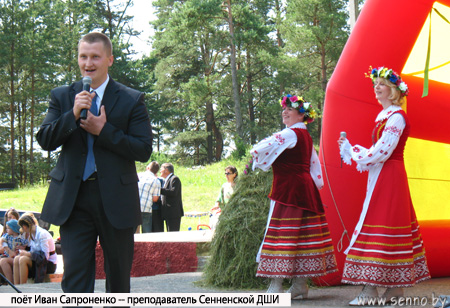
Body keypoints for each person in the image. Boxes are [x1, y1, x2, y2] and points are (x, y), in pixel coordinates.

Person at [35, 32, 152, 293]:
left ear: (109, 60)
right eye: (83, 56)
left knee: (119, 278)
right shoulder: (63, 96)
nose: (88, 63)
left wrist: (104, 131)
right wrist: (72, 114)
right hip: (74, 200)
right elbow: (44, 139)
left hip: (116, 199)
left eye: (95, 57)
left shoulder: (131, 99)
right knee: (75, 277)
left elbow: (143, 150)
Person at [338, 66, 431, 305]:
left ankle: (371, 291)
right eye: (375, 84)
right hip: (383, 174)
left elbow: (383, 151)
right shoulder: (386, 117)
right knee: (384, 224)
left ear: (392, 92)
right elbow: (379, 152)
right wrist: (352, 149)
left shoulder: (397, 118)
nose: (376, 87)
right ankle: (393, 291)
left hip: (389, 175)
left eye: (381, 84)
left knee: (381, 225)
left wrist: (354, 152)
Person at [251, 94, 338, 298]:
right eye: (284, 109)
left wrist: (257, 155)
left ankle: (276, 286)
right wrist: (317, 185)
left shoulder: (290, 134)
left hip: (288, 191)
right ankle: (300, 285)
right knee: (302, 237)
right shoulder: (305, 136)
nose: (285, 111)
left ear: (301, 115)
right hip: (305, 190)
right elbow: (314, 165)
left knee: (282, 234)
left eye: (290, 109)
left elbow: (260, 148)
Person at [13, 213, 57, 284]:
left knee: (23, 259)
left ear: (24, 227)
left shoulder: (42, 234)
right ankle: (16, 285)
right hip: (37, 260)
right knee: (17, 258)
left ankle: (22, 286)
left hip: (48, 263)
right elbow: (33, 251)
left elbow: (45, 257)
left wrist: (28, 254)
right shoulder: (31, 233)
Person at [138, 161, 161, 233]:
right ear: (156, 171)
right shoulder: (156, 181)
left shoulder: (138, 175)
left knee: (132, 233)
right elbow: (155, 199)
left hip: (134, 207)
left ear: (147, 168)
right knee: (146, 232)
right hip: (146, 208)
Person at [160, 163, 184, 232]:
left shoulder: (174, 179)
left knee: (173, 235)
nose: (160, 171)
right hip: (168, 213)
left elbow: (173, 192)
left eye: (161, 169)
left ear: (166, 170)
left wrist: (159, 190)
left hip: (173, 213)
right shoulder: (166, 180)